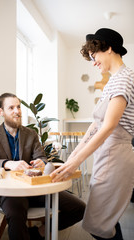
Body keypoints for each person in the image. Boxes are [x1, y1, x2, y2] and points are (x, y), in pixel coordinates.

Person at [50, 28, 134, 240]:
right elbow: (95, 126)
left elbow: (108, 127)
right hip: (107, 155)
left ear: (108, 49)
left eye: (94, 55)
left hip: (115, 157)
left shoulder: (124, 79)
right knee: (105, 221)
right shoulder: (112, 82)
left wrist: (75, 162)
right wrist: (71, 159)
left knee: (100, 223)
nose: (94, 61)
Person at [0, 93, 86, 240]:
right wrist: (9, 164)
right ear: (1, 112)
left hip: (36, 189)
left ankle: (39, 233)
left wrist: (41, 162)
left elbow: (42, 157)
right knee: (16, 214)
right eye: (11, 108)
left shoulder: (31, 134)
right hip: (10, 192)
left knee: (79, 208)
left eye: (18, 107)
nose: (17, 111)